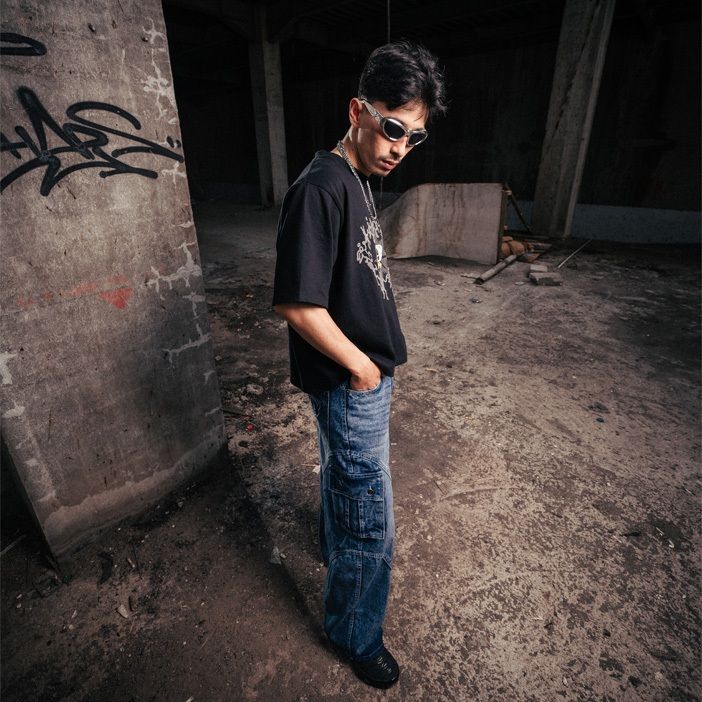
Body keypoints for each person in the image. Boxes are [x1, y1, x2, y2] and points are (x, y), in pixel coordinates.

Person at [272, 40, 447, 689]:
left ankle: (333, 547)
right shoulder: (320, 188)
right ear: (357, 111)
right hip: (352, 381)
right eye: (392, 128)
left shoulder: (358, 177)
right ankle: (355, 633)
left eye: (414, 137)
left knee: (346, 486)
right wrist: (362, 367)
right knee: (370, 518)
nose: (400, 147)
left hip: (358, 376)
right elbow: (297, 304)